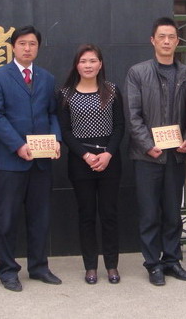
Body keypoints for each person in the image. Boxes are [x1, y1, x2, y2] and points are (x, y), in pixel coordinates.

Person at [0, 25, 62, 292]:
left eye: (32, 44)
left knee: (40, 217)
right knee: (7, 219)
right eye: (22, 44)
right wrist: (17, 145)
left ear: (38, 47)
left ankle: (39, 266)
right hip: (10, 161)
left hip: (41, 161)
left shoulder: (47, 78)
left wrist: (56, 139)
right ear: (13, 47)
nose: (27, 48)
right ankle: (7, 270)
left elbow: (52, 113)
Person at [126, 17, 186, 286]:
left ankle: (172, 260)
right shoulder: (137, 72)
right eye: (162, 37)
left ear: (177, 41)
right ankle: (152, 263)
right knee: (149, 213)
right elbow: (133, 115)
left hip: (176, 155)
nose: (167, 41)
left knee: (172, 212)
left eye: (171, 37)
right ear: (152, 40)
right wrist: (147, 144)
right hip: (147, 156)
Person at [58, 44, 125, 285]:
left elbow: (119, 126)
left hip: (109, 160)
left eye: (93, 60)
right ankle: (90, 266)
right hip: (80, 161)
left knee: (109, 214)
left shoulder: (112, 90)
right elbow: (65, 131)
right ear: (77, 65)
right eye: (83, 61)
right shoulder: (66, 94)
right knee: (86, 215)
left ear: (100, 64)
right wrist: (85, 156)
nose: (88, 65)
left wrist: (108, 154)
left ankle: (112, 265)